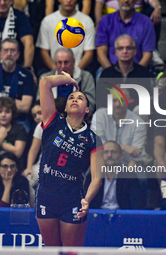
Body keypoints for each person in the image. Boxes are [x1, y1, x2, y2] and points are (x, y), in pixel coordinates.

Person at [36, 71, 104, 246]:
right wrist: (68, 80)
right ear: (65, 107)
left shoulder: (93, 139)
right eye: (71, 97)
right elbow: (44, 82)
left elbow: (97, 176)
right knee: (52, 250)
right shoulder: (53, 122)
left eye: (80, 98)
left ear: (87, 109)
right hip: (46, 196)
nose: (74, 99)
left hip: (73, 199)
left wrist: (87, 200)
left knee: (71, 251)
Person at [0, 38, 35, 134]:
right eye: (5, 50)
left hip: (18, 120)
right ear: (0, 54)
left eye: (13, 51)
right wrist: (15, 101)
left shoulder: (26, 75)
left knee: (26, 131)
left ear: (18, 55)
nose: (9, 54)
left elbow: (25, 107)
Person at [36, 0, 95, 71]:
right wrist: (57, 72)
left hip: (79, 72)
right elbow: (44, 52)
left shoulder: (87, 21)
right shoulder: (47, 21)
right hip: (53, 72)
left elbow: (89, 53)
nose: (68, 1)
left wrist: (75, 72)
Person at [84, 140, 145, 209]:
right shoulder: (92, 176)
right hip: (98, 216)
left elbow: (136, 204)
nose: (109, 155)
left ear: (121, 156)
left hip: (121, 216)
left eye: (114, 152)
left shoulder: (129, 177)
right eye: (106, 152)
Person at [96, 0, 156, 69]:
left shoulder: (146, 22)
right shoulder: (105, 21)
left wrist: (134, 75)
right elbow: (101, 53)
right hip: (109, 69)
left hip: (138, 71)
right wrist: (112, 74)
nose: (126, 0)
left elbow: (148, 55)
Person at [38, 48, 96, 114]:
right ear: (55, 63)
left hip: (77, 118)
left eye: (66, 62)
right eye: (59, 62)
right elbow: (39, 104)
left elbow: (90, 105)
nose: (63, 66)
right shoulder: (45, 79)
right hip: (52, 118)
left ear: (73, 62)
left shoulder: (86, 77)